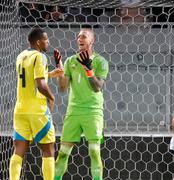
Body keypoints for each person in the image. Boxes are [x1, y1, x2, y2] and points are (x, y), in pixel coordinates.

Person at [54, 28, 109, 180]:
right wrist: (60, 68)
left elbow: (97, 87)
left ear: (92, 40)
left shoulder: (100, 61)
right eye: (78, 36)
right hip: (73, 111)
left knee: (94, 151)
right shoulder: (70, 61)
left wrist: (88, 69)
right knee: (63, 153)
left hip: (93, 111)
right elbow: (63, 88)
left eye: (84, 36)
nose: (80, 39)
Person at [9, 28, 62, 180]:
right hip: (37, 112)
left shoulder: (21, 56)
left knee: (18, 151)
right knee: (48, 150)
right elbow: (40, 85)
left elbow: (28, 79)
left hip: (20, 111)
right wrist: (51, 97)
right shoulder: (40, 56)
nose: (48, 42)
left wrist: (51, 74)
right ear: (38, 42)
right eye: (46, 40)